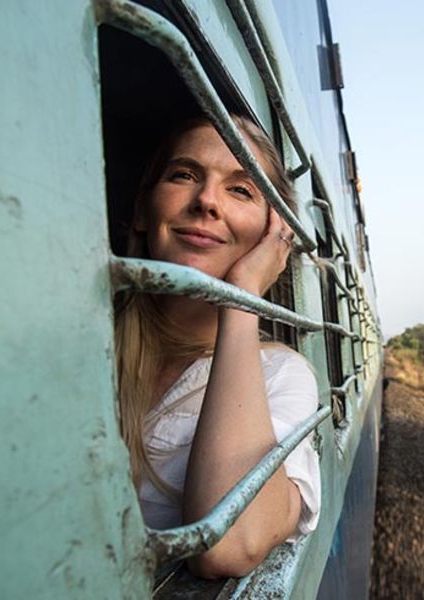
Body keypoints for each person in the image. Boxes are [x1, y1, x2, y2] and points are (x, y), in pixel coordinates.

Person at [114, 115, 320, 579]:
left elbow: (228, 544)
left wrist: (242, 298)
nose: (206, 200)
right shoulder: (87, 341)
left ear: (274, 236)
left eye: (241, 190)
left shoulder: (281, 376)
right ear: (145, 210)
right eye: (184, 175)